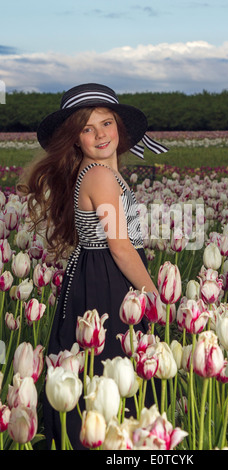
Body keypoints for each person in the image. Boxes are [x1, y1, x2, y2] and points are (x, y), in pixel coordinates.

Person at [18, 83, 168, 449]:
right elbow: (120, 248)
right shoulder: (100, 176)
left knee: (97, 372)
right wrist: (153, 295)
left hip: (93, 273)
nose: (100, 134)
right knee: (112, 370)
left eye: (106, 123)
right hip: (109, 279)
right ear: (75, 139)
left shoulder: (96, 171)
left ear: (119, 128)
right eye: (87, 128)